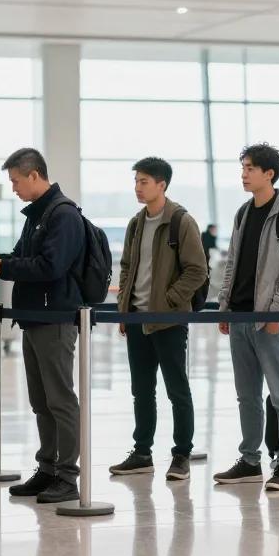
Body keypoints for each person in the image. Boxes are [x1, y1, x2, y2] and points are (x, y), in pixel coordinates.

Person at [0, 148, 85, 504]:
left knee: (60, 400)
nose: (14, 189)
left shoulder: (63, 215)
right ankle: (48, 469)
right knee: (41, 401)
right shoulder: (37, 215)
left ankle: (68, 476)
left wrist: (4, 269)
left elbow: (50, 267)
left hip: (55, 320)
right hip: (34, 319)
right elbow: (25, 258)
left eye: (16, 181)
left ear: (35, 175)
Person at [213, 143, 279, 491]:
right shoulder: (242, 213)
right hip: (240, 317)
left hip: (272, 319)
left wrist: (277, 312)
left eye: (251, 168)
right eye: (243, 167)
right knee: (247, 395)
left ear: (269, 173)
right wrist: (224, 307)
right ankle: (250, 460)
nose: (244, 173)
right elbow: (232, 266)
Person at [110, 157, 208, 481]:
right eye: (136, 181)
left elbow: (197, 270)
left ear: (162, 184)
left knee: (177, 389)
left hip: (168, 320)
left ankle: (182, 454)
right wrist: (125, 308)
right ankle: (142, 452)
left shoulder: (181, 221)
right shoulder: (136, 223)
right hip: (137, 318)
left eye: (144, 182)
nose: (138, 187)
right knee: (142, 389)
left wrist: (168, 301)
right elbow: (126, 267)